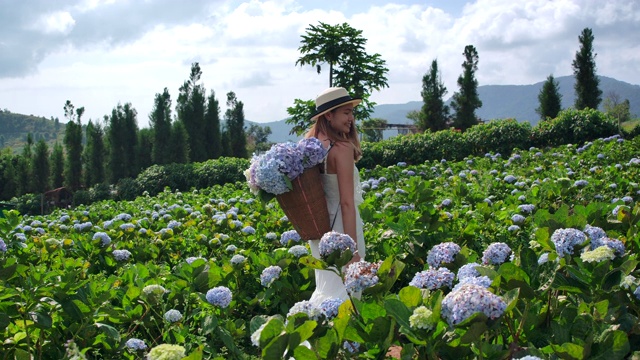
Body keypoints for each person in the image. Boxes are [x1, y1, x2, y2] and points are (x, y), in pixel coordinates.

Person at [304, 87, 366, 305]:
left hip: (320, 229)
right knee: (347, 293)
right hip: (343, 227)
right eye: (346, 112)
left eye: (352, 112)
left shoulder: (311, 147)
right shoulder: (342, 148)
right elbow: (347, 203)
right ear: (329, 115)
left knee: (326, 288)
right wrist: (354, 253)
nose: (351, 118)